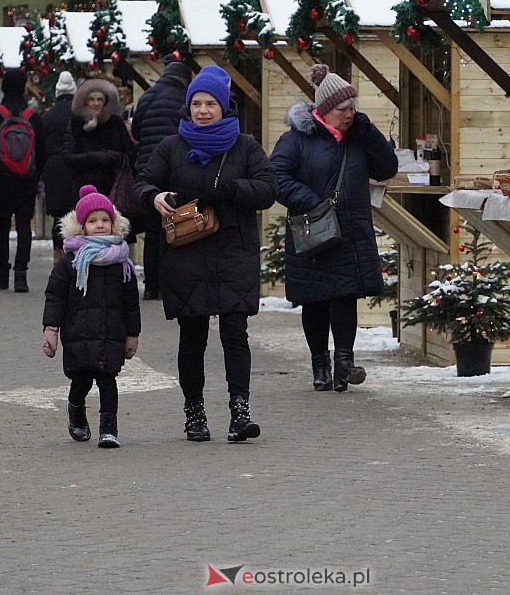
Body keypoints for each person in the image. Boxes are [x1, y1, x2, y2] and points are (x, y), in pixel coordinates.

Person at [134, 65, 278, 443]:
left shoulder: (245, 146)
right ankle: (194, 412)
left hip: (234, 251)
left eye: (210, 103)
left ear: (224, 106)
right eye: (196, 103)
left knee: (235, 333)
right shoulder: (171, 147)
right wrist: (155, 196)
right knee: (192, 337)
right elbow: (142, 184)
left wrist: (231, 191)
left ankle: (239, 412)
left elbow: (268, 190)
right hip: (187, 256)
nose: (202, 110)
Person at [269, 64, 398, 392]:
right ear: (324, 111)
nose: (350, 114)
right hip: (314, 230)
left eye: (353, 107)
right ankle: (320, 365)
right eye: (343, 109)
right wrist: (310, 201)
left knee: (345, 295)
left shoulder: (358, 137)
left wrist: (369, 132)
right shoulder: (296, 139)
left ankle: (345, 362)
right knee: (315, 298)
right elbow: (276, 178)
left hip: (350, 232)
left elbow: (386, 168)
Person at [41, 185, 140, 448]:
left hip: (111, 335)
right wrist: (51, 328)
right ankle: (76, 410)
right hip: (78, 334)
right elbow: (55, 296)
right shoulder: (71, 260)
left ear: (114, 223)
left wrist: (132, 334)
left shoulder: (121, 262)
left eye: (105, 220)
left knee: (109, 382)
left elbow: (131, 302)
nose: (100, 225)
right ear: (81, 226)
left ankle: (109, 428)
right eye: (93, 221)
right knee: (81, 382)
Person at [0, 68, 48, 293]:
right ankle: (21, 275)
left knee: (3, 225)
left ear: (4, 87)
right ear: (24, 86)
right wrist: (37, 177)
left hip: (1, 177)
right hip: (26, 178)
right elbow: (43, 152)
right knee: (24, 225)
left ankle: (3, 273)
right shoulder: (33, 117)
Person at [130, 60, 192, 300]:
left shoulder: (147, 97)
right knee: (176, 225)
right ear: (185, 79)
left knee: (153, 230)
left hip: (148, 170)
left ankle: (151, 285)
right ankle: (170, 283)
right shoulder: (184, 98)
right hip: (176, 168)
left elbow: (136, 132)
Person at [62, 76, 136, 244]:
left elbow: (130, 153)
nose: (95, 104)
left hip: (114, 189)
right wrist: (98, 157)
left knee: (114, 234)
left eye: (99, 99)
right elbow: (68, 156)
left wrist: (115, 158)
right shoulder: (76, 124)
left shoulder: (115, 123)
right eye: (91, 99)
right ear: (84, 101)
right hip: (85, 190)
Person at [40, 71, 79, 266]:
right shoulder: (79, 113)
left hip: (53, 169)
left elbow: (42, 147)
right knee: (77, 213)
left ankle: (59, 258)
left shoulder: (47, 116)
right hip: (76, 167)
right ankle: (76, 255)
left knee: (59, 217)